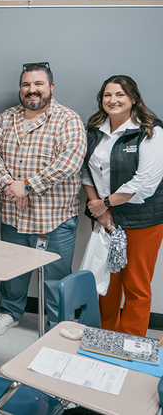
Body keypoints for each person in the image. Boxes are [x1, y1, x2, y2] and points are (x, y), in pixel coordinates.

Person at [0, 62, 85, 335]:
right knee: (12, 271)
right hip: (13, 214)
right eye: (26, 85)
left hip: (54, 217)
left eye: (38, 84)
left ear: (51, 87)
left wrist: (27, 186)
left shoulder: (68, 119)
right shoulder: (6, 118)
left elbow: (69, 162)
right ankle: (10, 312)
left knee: (55, 276)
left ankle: (57, 325)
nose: (32, 90)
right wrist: (10, 186)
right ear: (21, 89)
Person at [82, 75, 163, 336]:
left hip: (142, 220)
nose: (113, 100)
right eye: (107, 95)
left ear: (133, 99)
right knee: (106, 283)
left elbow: (144, 183)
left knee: (136, 285)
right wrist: (100, 208)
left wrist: (104, 204)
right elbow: (84, 172)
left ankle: (129, 344)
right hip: (104, 217)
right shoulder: (94, 130)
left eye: (120, 94)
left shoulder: (151, 131)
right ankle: (104, 337)